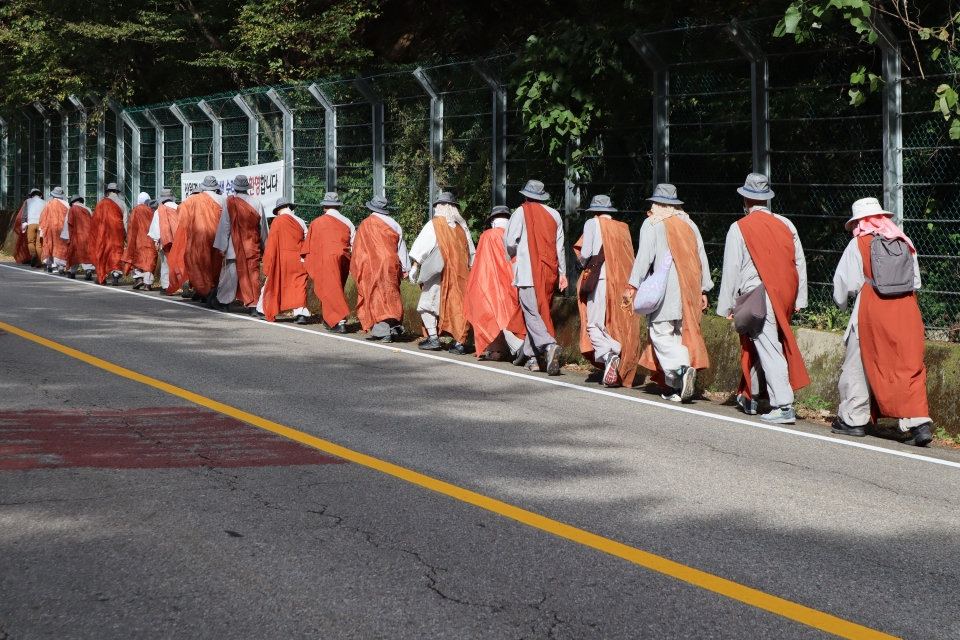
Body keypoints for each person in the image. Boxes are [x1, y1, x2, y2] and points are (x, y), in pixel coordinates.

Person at [831, 197, 932, 446]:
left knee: (858, 362)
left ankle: (853, 420)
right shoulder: (904, 241)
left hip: (871, 309)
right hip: (906, 309)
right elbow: (915, 281)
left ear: (859, 222)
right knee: (908, 365)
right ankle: (917, 424)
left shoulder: (859, 244)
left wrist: (843, 305)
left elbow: (845, 284)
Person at [717, 173, 810, 424]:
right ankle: (751, 393)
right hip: (785, 293)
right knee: (764, 343)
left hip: (757, 296)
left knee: (768, 346)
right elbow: (798, 261)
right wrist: (801, 297)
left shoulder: (739, 227)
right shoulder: (786, 224)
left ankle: (783, 404)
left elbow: (732, 269)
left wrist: (725, 305)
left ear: (746, 198)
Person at [625, 185, 713, 402]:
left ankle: (682, 369)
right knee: (678, 334)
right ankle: (676, 388)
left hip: (665, 287)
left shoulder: (654, 222)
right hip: (690, 287)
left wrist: (632, 286)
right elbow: (701, 257)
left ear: (657, 203)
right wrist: (703, 289)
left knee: (661, 332)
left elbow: (644, 256)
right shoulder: (689, 223)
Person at [573, 195, 641, 389]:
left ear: (594, 211)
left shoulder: (593, 223)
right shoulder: (623, 228)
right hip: (621, 283)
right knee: (611, 322)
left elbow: (585, 254)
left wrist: (583, 265)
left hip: (600, 280)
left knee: (593, 324)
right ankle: (614, 351)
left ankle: (609, 353)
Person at [503, 179, 568, 375]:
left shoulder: (521, 211)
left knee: (531, 312)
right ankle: (533, 358)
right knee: (540, 311)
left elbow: (509, 240)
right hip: (549, 270)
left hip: (528, 270)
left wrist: (514, 253)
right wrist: (562, 273)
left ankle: (548, 346)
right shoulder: (555, 214)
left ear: (526, 196)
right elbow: (560, 247)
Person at [409, 192, 476, 353]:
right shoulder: (463, 228)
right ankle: (459, 343)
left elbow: (422, 248)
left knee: (427, 304)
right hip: (460, 275)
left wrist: (415, 266)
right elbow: (471, 254)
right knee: (458, 307)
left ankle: (433, 338)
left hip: (439, 274)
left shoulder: (435, 224)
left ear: (440, 207)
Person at [463, 205, 527, 361]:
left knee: (494, 314)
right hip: (516, 278)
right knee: (511, 313)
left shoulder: (488, 235)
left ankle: (506, 349)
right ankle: (507, 349)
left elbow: (481, 263)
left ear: (492, 220)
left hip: (492, 280)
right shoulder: (518, 235)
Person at [351, 195, 410, 342]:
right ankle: (394, 325)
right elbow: (401, 247)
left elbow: (358, 248)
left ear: (371, 208)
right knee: (391, 292)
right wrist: (405, 267)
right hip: (391, 262)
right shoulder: (394, 224)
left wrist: (356, 266)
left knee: (375, 294)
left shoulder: (365, 224)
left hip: (371, 263)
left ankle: (383, 330)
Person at [212, 175, 267, 311]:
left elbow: (225, 224)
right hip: (251, 245)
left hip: (233, 246)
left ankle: (224, 302)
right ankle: (253, 305)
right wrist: (264, 245)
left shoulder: (230, 201)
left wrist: (222, 246)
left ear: (235, 188)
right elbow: (263, 226)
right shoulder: (256, 202)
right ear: (247, 188)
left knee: (231, 274)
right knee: (252, 274)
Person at [304, 192, 354, 333]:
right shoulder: (347, 222)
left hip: (324, 259)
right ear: (338, 206)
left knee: (330, 289)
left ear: (325, 206)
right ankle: (328, 319)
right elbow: (354, 243)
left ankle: (339, 321)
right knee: (336, 288)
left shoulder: (317, 222)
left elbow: (309, 245)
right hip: (343, 259)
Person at [258, 198, 311, 323]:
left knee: (271, 283)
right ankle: (301, 313)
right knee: (298, 285)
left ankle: (262, 309)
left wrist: (268, 262)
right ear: (290, 207)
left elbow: (271, 244)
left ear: (278, 209)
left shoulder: (277, 221)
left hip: (281, 259)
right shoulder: (300, 221)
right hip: (298, 259)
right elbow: (308, 241)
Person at [179, 175, 224, 303]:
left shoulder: (193, 199)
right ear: (215, 188)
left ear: (203, 187)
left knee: (199, 264)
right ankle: (212, 288)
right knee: (215, 265)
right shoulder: (223, 199)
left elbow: (181, 213)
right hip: (217, 236)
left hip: (199, 237)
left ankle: (207, 290)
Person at [89, 182, 128, 285]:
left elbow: (95, 219)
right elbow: (125, 221)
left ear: (108, 192)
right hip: (117, 231)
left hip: (103, 232)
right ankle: (115, 275)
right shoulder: (122, 203)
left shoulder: (102, 202)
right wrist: (125, 234)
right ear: (117, 192)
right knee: (116, 252)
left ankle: (102, 276)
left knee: (102, 252)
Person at [122, 196, 158, 290]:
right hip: (152, 240)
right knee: (150, 261)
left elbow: (132, 226)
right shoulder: (155, 211)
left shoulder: (138, 210)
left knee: (138, 259)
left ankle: (139, 278)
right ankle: (148, 284)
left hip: (139, 239)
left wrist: (130, 239)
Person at [147, 188, 180, 293]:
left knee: (166, 262)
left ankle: (166, 286)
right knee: (179, 262)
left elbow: (156, 227)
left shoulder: (159, 210)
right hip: (178, 239)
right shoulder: (179, 208)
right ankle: (182, 283)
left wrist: (156, 240)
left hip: (165, 240)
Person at [61, 194, 95, 280]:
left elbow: (67, 224)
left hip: (75, 235)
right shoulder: (87, 209)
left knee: (73, 253)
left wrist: (67, 237)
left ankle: (72, 271)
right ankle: (88, 270)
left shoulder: (71, 210)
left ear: (72, 202)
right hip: (87, 235)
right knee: (86, 253)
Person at [38, 186, 69, 274]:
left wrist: (41, 229)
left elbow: (43, 217)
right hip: (62, 229)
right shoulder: (66, 204)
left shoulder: (48, 204)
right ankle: (61, 267)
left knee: (49, 245)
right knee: (60, 247)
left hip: (49, 229)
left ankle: (49, 266)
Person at [19, 188, 45, 267]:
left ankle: (33, 255)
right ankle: (39, 262)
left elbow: (24, 213)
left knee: (31, 242)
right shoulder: (45, 202)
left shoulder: (28, 201)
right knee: (39, 243)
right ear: (40, 196)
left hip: (31, 223)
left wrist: (23, 222)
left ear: (32, 195)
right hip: (41, 224)